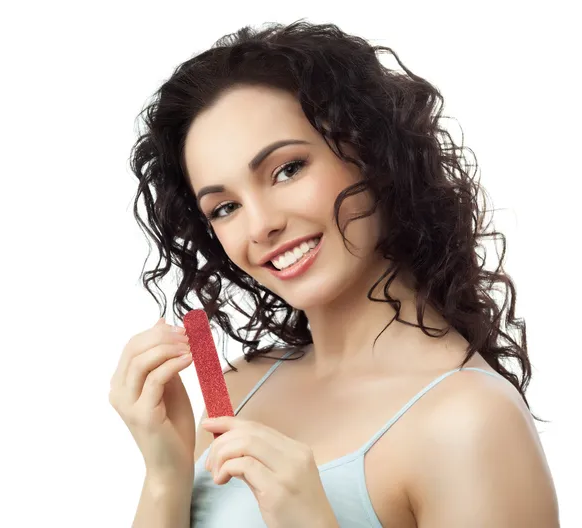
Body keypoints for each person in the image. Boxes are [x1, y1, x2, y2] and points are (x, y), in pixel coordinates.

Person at [110, 20, 560, 527]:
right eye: (225, 207)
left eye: (287, 169)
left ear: (371, 153)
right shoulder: (235, 391)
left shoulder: (470, 421)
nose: (261, 226)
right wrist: (165, 477)